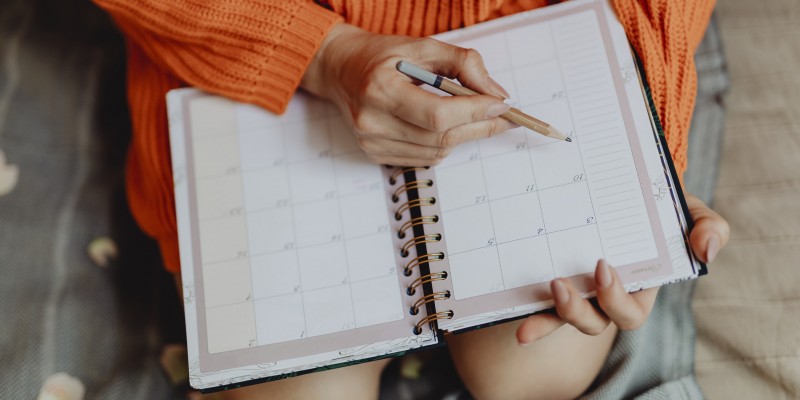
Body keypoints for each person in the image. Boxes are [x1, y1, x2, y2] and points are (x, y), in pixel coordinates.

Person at [92, 0, 729, 398]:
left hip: (533, 35)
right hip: (255, 46)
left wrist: (640, 148)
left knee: (532, 376)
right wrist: (320, 52)